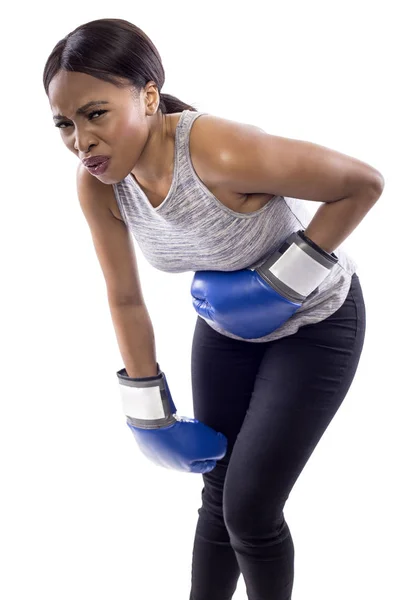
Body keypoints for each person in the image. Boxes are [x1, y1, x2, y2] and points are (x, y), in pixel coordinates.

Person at [43, 17, 384, 600]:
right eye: (63, 124)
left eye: (95, 113)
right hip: (226, 327)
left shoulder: (215, 149)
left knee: (250, 508)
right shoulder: (98, 183)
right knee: (217, 497)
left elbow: (361, 183)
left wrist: (282, 284)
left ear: (148, 97)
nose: (82, 140)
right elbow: (124, 295)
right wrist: (147, 407)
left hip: (317, 325)